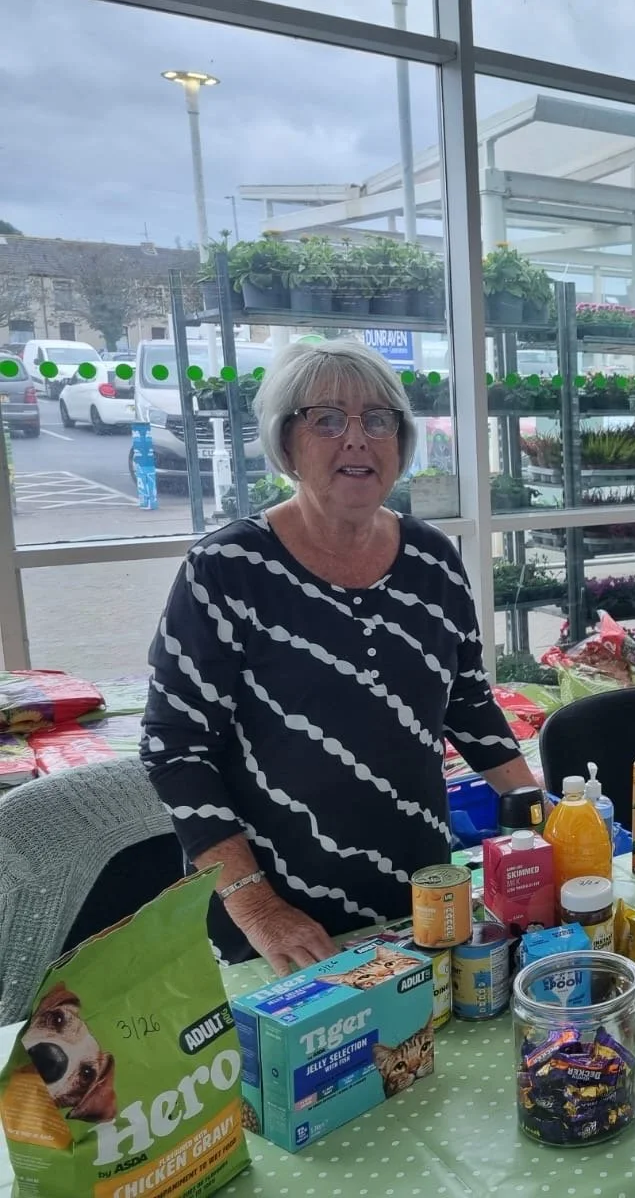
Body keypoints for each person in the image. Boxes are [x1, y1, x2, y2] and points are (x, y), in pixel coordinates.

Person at [141, 339, 538, 975]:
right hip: (278, 925)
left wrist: (545, 820)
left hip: (420, 898)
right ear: (285, 442)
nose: (356, 438)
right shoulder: (227, 570)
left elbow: (466, 705)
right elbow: (175, 749)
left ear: (402, 442)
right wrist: (258, 909)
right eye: (327, 418)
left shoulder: (432, 560)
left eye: (378, 420)